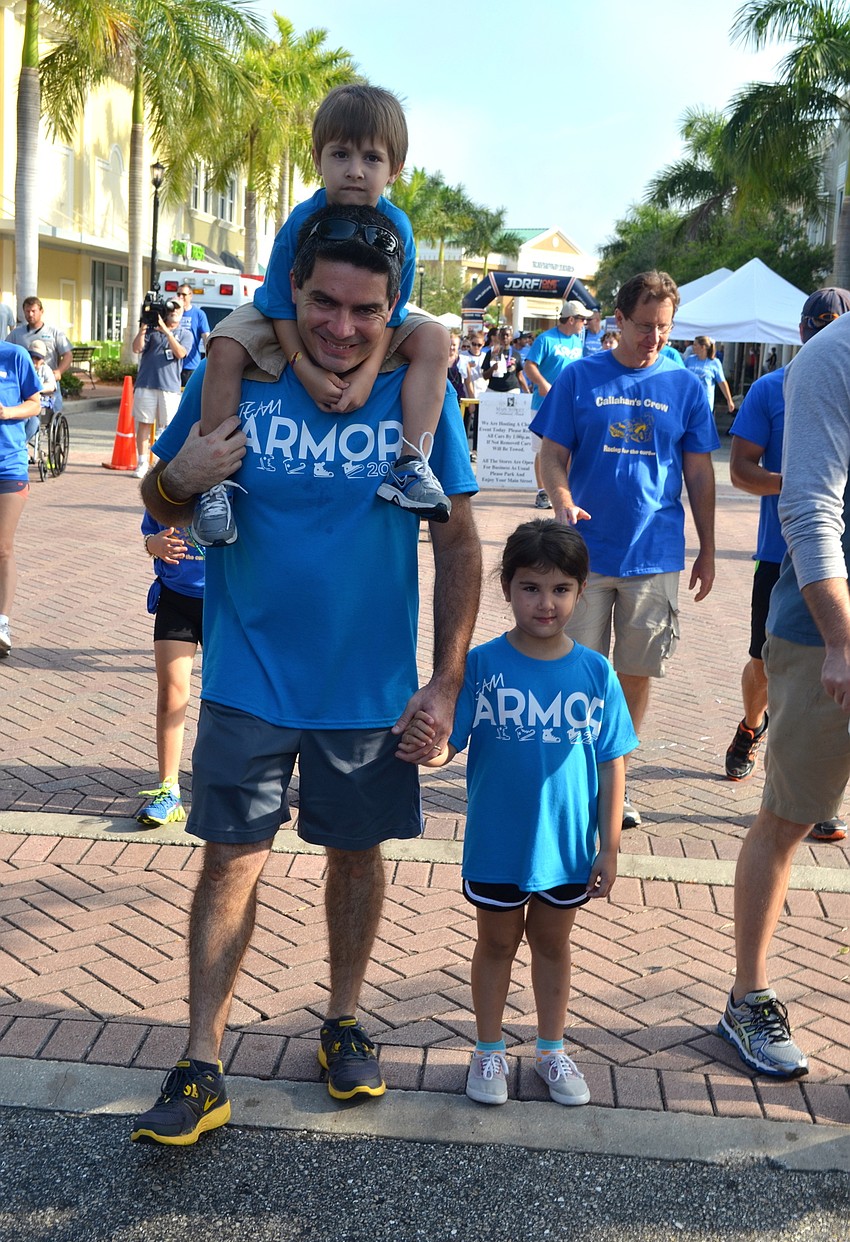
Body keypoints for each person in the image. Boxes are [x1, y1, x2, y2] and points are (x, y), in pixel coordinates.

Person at [131, 204, 481, 1145]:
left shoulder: (415, 391)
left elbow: (458, 543)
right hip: (247, 677)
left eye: (366, 310)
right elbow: (160, 495)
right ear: (294, 288)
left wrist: (446, 681)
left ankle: (343, 1017)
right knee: (229, 860)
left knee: (356, 857)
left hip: (368, 690)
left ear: (393, 309)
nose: (342, 325)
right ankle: (202, 1060)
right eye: (325, 301)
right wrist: (179, 478)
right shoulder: (242, 368)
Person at [400, 520, 637, 1106]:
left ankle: (551, 1050)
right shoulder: (481, 664)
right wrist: (430, 750)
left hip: (567, 848)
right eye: (530, 587)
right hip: (498, 843)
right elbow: (452, 743)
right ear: (506, 588)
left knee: (553, 945)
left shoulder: (597, 672)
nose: (545, 602)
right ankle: (488, 1051)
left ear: (581, 591)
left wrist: (608, 846)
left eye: (560, 589)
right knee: (497, 944)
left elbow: (612, 764)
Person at [192, 82, 450, 547]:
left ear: (395, 169)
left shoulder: (400, 229)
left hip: (365, 324)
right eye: (340, 154)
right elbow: (279, 304)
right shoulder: (299, 221)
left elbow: (391, 316)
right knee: (225, 346)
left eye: (372, 158)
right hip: (286, 319)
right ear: (317, 157)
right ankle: (215, 481)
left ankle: (411, 464)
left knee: (435, 339)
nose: (355, 171)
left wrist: (367, 375)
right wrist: (305, 370)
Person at [717, 300, 850, 1080]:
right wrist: (841, 639)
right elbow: (808, 506)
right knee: (789, 818)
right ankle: (748, 994)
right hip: (823, 626)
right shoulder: (832, 356)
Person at [538, 270, 718, 829]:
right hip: (583, 555)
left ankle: (616, 779)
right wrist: (562, 500)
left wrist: (708, 548)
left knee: (636, 674)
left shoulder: (685, 385)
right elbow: (551, 455)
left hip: (654, 554)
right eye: (644, 326)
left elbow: (700, 473)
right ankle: (573, 779)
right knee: (577, 671)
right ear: (617, 320)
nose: (654, 338)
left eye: (664, 328)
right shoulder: (579, 376)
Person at [724, 288, 850, 848]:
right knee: (764, 662)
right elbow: (740, 470)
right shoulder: (772, 387)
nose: (826, 329)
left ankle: (822, 799)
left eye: (836, 321)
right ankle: (752, 727)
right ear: (802, 330)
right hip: (783, 559)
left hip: (832, 566)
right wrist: (803, 482)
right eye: (818, 322)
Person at [136, 513, 205, 827]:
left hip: (227, 601)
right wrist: (154, 544)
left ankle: (226, 785)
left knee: (224, 698)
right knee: (171, 694)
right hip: (175, 599)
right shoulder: (167, 485)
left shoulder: (239, 485)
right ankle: (169, 791)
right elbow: (150, 534)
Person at [524, 300, 593, 511]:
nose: (584, 323)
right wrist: (542, 383)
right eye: (582, 319)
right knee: (542, 450)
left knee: (569, 449)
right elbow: (529, 365)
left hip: (572, 405)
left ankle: (566, 491)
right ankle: (542, 492)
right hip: (544, 404)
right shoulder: (545, 339)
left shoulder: (577, 342)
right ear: (571, 319)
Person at [0, 341, 42, 656]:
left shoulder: (14, 356)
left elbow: (35, 404)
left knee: (2, 547)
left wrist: (7, 411)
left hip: (8, 467)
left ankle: (1, 622)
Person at [131, 299, 190, 479]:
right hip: (146, 384)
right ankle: (142, 462)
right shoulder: (151, 330)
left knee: (167, 426)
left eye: (177, 309)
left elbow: (181, 353)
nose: (174, 311)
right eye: (171, 308)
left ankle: (161, 464)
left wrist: (166, 331)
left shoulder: (185, 333)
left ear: (182, 312)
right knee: (144, 423)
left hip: (169, 387)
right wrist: (144, 326)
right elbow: (136, 348)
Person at [8, 296, 73, 441]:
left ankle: (56, 442)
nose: (30, 314)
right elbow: (6, 353)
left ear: (41, 311)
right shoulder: (16, 334)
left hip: (48, 381)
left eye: (33, 311)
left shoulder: (54, 332)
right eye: (27, 311)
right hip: (25, 383)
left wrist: (59, 371)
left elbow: (68, 355)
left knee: (53, 415)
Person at [685, 336, 735, 417]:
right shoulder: (689, 360)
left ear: (703, 347)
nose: (692, 347)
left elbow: (722, 382)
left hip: (705, 402)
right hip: (689, 400)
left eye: (695, 345)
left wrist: (729, 400)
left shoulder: (714, 362)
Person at [173, 283, 210, 387]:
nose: (181, 297)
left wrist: (210, 358)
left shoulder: (198, 314)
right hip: (172, 365)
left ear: (190, 295)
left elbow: (206, 337)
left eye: (184, 294)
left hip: (190, 366)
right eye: (178, 294)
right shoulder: (172, 313)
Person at [26, 340, 57, 451]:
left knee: (34, 422)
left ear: (43, 360)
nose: (34, 361)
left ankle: (21, 444)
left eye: (37, 358)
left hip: (40, 406)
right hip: (23, 405)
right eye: (32, 357)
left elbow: (52, 385)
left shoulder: (45, 370)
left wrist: (37, 389)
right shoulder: (24, 367)